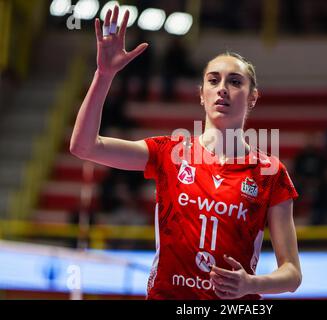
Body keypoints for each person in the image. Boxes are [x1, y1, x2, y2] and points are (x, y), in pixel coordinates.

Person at [70, 6, 301, 300]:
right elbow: (83, 146)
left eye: (235, 81)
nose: (223, 89)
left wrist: (250, 285)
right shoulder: (169, 152)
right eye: (213, 80)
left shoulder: (271, 172)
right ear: (201, 93)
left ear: (253, 97)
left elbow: (292, 274)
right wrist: (104, 75)